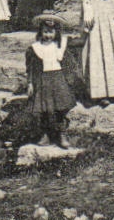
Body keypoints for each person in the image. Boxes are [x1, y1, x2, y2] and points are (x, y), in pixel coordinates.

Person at [22, 13, 78, 148]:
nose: (48, 35)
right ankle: (45, 134)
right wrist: (30, 83)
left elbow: (71, 61)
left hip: (58, 80)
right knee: (43, 110)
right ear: (40, 32)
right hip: (43, 81)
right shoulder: (35, 48)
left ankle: (61, 134)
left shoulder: (60, 46)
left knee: (60, 109)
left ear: (56, 33)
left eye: (51, 32)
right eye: (45, 32)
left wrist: (70, 80)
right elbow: (30, 68)